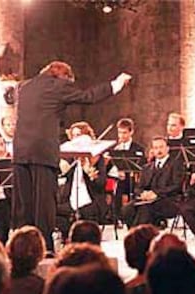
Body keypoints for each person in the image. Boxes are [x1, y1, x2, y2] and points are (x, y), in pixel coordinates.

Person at [12, 60, 132, 249]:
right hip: (42, 152)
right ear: (64, 76)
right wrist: (116, 84)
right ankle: (44, 249)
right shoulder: (58, 85)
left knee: (24, 204)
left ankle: (21, 248)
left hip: (20, 152)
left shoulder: (24, 87)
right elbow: (88, 96)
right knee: (44, 206)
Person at [56, 122, 109, 238]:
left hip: (90, 201)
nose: (75, 139)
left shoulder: (97, 158)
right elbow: (64, 179)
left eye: (78, 135)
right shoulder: (72, 159)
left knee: (84, 213)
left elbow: (100, 184)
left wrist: (89, 172)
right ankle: (67, 240)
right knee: (50, 211)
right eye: (73, 136)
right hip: (71, 201)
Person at [122, 136, 185, 228]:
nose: (158, 150)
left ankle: (140, 235)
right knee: (127, 208)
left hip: (168, 200)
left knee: (145, 209)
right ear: (152, 150)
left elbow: (177, 186)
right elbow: (138, 187)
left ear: (167, 148)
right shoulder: (146, 167)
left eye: (161, 147)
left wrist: (156, 193)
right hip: (147, 199)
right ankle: (135, 233)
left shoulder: (176, 164)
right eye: (156, 148)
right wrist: (143, 193)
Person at [107, 118, 146, 224]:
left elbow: (143, 166)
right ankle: (118, 217)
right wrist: (117, 172)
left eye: (124, 133)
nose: (122, 136)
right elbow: (109, 169)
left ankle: (132, 217)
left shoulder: (139, 148)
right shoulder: (116, 149)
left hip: (135, 179)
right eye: (120, 132)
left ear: (131, 132)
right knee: (117, 188)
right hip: (120, 180)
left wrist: (129, 172)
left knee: (133, 186)